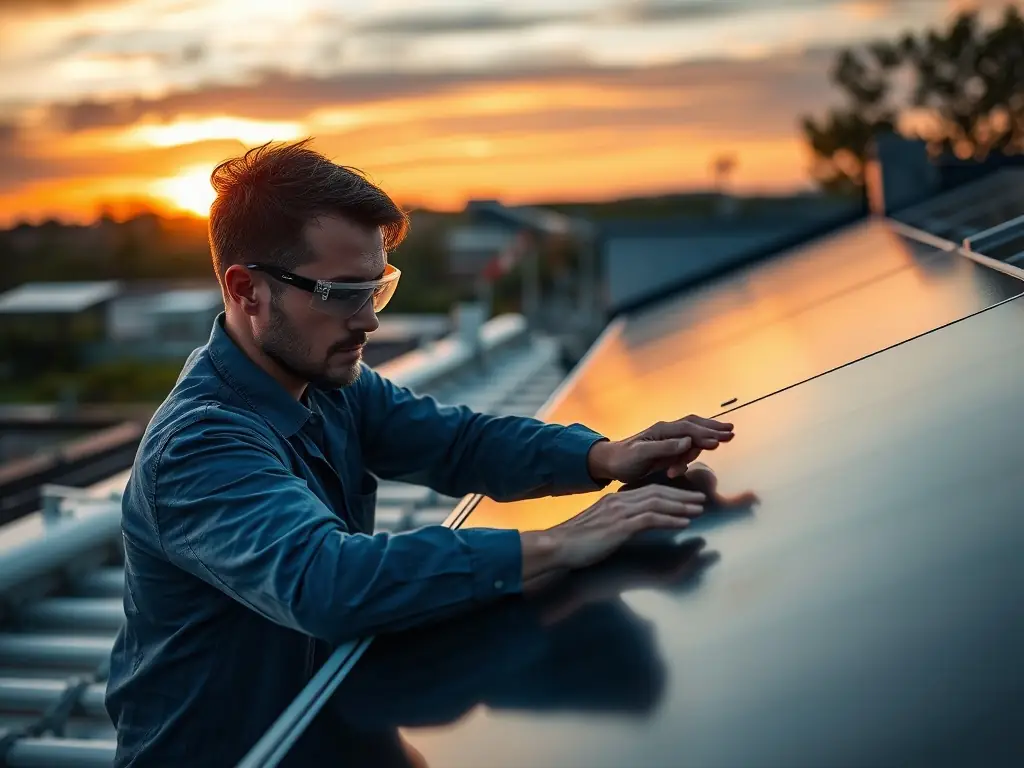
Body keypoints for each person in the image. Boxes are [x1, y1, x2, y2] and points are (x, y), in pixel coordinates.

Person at [104, 139, 735, 767]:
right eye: (343, 293)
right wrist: (557, 544)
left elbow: (458, 442)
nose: (369, 320)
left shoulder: (327, 384)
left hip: (329, 737)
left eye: (377, 288)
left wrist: (603, 456)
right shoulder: (198, 446)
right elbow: (328, 581)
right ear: (245, 290)